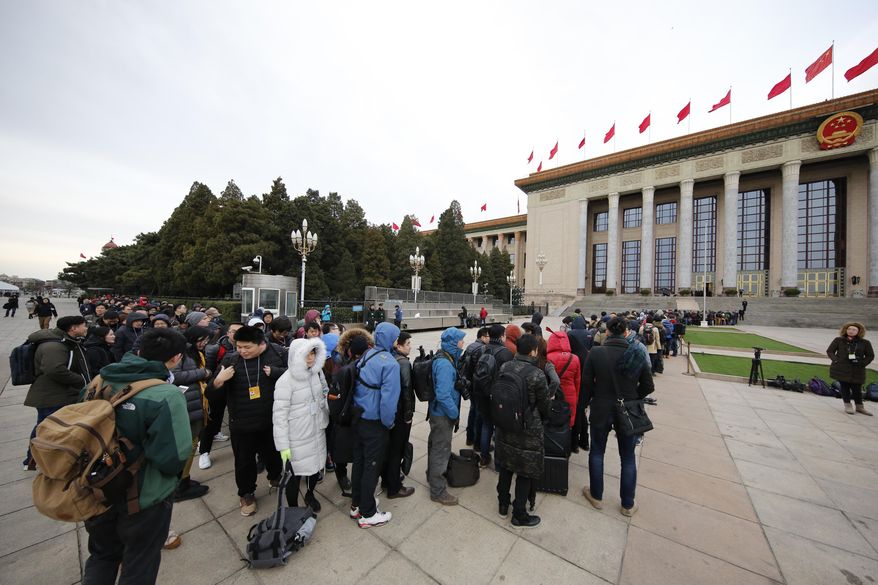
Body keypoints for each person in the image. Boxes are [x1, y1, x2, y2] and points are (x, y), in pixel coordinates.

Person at [81, 328, 193, 585]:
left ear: (139, 351)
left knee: (102, 556)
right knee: (139, 562)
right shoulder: (166, 394)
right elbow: (173, 456)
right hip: (142, 494)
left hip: (97, 487)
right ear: (176, 358)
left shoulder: (100, 380)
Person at [207, 325, 286, 516]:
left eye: (247, 347)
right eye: (239, 346)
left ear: (261, 344)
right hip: (242, 422)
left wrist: (276, 372)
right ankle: (246, 493)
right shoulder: (231, 360)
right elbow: (210, 394)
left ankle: (275, 477)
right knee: (244, 462)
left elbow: (294, 375)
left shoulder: (277, 353)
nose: (242, 351)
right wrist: (219, 380)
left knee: (274, 454)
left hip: (271, 420)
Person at [581, 317, 654, 516]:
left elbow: (586, 385)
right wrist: (632, 397)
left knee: (597, 452)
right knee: (627, 458)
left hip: (601, 407)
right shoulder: (637, 352)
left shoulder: (596, 352)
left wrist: (582, 407)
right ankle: (627, 504)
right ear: (625, 333)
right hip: (627, 409)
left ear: (607, 333)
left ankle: (597, 496)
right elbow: (648, 386)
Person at [494, 333, 550, 527]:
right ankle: (519, 514)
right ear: (534, 351)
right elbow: (544, 405)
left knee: (507, 465)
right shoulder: (537, 374)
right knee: (524, 470)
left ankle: (502, 504)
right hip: (528, 428)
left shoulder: (505, 366)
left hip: (506, 423)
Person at [22, 315, 91, 470]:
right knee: (45, 427)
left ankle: (42, 458)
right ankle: (32, 459)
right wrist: (81, 380)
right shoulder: (54, 346)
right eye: (83, 325)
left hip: (58, 392)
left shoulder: (66, 341)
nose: (86, 328)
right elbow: (55, 369)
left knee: (48, 426)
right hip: (51, 395)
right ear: (73, 328)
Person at [350, 322, 400, 528]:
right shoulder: (390, 363)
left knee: (360, 462)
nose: (397, 341)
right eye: (395, 337)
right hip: (375, 422)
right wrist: (388, 423)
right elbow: (389, 401)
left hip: (358, 417)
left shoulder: (367, 355)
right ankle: (368, 513)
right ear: (390, 339)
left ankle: (357, 504)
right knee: (372, 465)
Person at [273, 337, 330, 513]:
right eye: (307, 354)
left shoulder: (316, 373)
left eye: (313, 353)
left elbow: (323, 397)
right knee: (294, 475)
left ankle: (310, 493)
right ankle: (293, 509)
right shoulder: (285, 381)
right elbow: (279, 416)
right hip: (296, 437)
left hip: (316, 430)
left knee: (314, 469)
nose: (311, 357)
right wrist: (283, 446)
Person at [170, 327, 213, 501]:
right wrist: (203, 373)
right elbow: (174, 376)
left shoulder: (195, 352)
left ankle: (184, 479)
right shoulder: (182, 353)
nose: (204, 343)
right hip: (187, 404)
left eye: (207, 340)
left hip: (195, 402)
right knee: (189, 444)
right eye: (202, 339)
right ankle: (180, 487)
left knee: (193, 442)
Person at [428, 327, 466, 505]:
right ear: (453, 343)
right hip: (442, 414)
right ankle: (438, 491)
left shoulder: (444, 357)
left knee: (436, 445)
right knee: (441, 451)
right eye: (460, 341)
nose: (463, 343)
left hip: (437, 412)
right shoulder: (444, 364)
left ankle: (432, 476)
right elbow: (443, 394)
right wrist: (454, 413)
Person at [198, 323, 242, 469]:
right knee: (212, 418)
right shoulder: (216, 348)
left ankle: (217, 433)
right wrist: (216, 381)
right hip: (219, 386)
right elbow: (208, 369)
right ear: (227, 333)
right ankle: (204, 451)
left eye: (240, 332)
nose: (236, 334)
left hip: (237, 389)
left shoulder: (245, 347)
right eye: (233, 331)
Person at [472, 324, 514, 468]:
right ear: (502, 336)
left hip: (482, 394)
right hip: (498, 397)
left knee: (486, 425)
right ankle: (498, 463)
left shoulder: (483, 349)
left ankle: (484, 458)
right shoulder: (506, 353)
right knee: (500, 429)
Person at [382, 331, 416, 498]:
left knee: (390, 449)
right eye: (408, 344)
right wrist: (408, 415)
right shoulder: (403, 364)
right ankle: (394, 487)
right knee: (397, 450)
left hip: (391, 411)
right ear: (399, 345)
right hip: (401, 413)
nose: (410, 347)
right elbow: (406, 390)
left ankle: (388, 479)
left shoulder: (390, 357)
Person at [826, 322, 874, 415]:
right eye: (849, 329)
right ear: (845, 330)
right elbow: (830, 351)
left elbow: (870, 355)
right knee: (844, 386)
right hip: (841, 367)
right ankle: (847, 404)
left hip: (857, 369)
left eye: (854, 330)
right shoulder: (839, 340)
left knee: (857, 388)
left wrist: (862, 363)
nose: (851, 331)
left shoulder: (865, 343)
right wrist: (836, 360)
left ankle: (859, 406)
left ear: (859, 331)